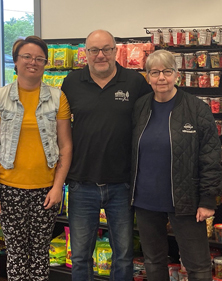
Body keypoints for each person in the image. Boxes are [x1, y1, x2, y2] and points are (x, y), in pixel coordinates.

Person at [61, 29, 152, 281]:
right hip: (81, 184)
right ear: (86, 53)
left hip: (122, 185)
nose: (100, 55)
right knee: (80, 256)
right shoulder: (71, 82)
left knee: (123, 255)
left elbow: (149, 125)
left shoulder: (135, 83)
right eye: (94, 50)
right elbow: (58, 127)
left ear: (115, 51)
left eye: (106, 49)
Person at [0, 35, 72, 281]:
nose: (33, 62)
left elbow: (65, 146)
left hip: (46, 190)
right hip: (10, 188)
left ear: (45, 64)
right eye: (27, 57)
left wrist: (57, 187)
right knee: (16, 254)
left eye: (39, 58)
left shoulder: (57, 98)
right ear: (16, 61)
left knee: (40, 253)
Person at [130, 49, 222, 281]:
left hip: (186, 200)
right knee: (153, 261)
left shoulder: (196, 108)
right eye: (154, 72)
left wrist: (208, 199)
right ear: (148, 77)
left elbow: (210, 156)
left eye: (167, 71)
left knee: (197, 265)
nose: (161, 78)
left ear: (177, 75)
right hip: (146, 200)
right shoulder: (140, 107)